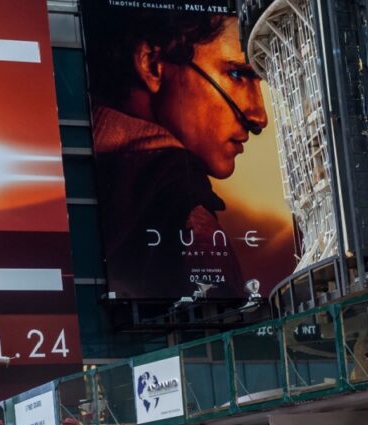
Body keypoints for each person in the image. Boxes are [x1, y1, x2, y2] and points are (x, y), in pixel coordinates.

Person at [84, 6, 269, 300]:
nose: (259, 116)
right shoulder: (189, 215)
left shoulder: (85, 164)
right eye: (237, 74)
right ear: (152, 64)